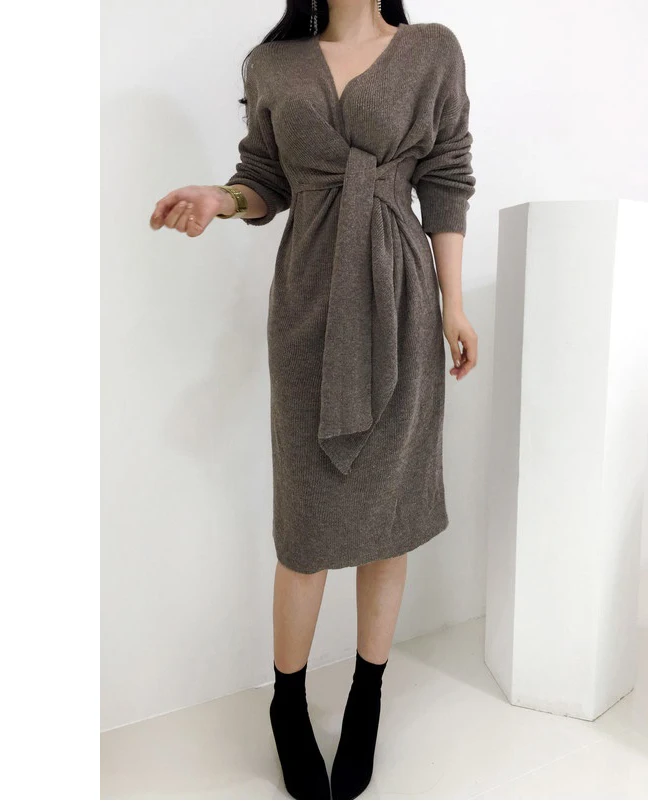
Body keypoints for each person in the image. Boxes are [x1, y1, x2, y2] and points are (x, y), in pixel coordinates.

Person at [149, 0, 476, 797]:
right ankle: (287, 701)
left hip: (399, 298)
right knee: (305, 528)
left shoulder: (430, 51)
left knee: (386, 515)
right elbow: (264, 181)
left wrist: (453, 304)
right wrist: (220, 198)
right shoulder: (273, 64)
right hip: (308, 305)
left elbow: (445, 176)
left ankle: (367, 694)